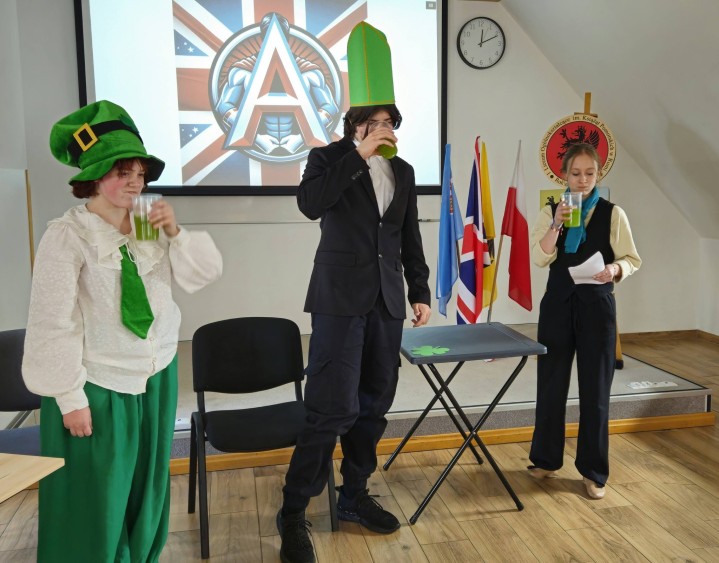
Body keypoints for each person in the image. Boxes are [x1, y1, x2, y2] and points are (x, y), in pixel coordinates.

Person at [22, 100, 223, 562]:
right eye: (122, 172)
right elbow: (52, 321)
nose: (135, 183)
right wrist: (69, 399)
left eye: (140, 173)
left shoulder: (146, 221)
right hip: (99, 384)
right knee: (97, 497)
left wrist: (175, 233)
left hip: (155, 375)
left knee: (146, 487)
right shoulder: (68, 235)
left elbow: (201, 274)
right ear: (95, 176)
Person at [276, 22, 431, 563]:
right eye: (373, 122)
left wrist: (419, 289)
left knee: (373, 406)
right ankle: (293, 512)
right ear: (354, 125)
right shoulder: (327, 159)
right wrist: (357, 155)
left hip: (387, 302)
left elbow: (408, 235)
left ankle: (354, 495)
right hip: (339, 301)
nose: (383, 129)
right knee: (330, 408)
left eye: (389, 122)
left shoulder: (404, 171)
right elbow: (310, 205)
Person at [527, 142, 641, 500]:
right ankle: (546, 460)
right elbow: (540, 257)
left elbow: (631, 258)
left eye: (589, 173)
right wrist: (557, 224)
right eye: (575, 173)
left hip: (597, 309)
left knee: (595, 391)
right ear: (563, 174)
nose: (582, 180)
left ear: (598, 173)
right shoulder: (550, 210)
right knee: (551, 385)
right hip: (557, 306)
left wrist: (615, 269)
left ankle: (593, 472)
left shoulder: (613, 213)